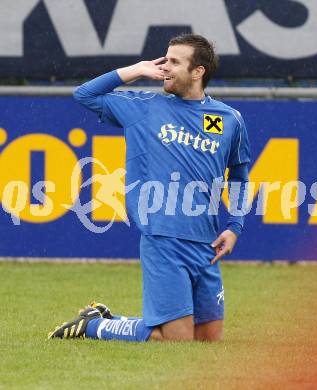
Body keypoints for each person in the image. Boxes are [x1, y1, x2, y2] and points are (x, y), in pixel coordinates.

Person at [48, 34, 250, 342]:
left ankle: (101, 318)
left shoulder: (228, 119)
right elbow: (84, 94)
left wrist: (235, 226)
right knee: (175, 340)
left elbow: (239, 174)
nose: (165, 67)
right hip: (163, 237)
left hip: (206, 242)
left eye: (175, 62)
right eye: (164, 59)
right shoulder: (145, 106)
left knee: (209, 339)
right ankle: (93, 326)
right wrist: (136, 70)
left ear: (198, 72)